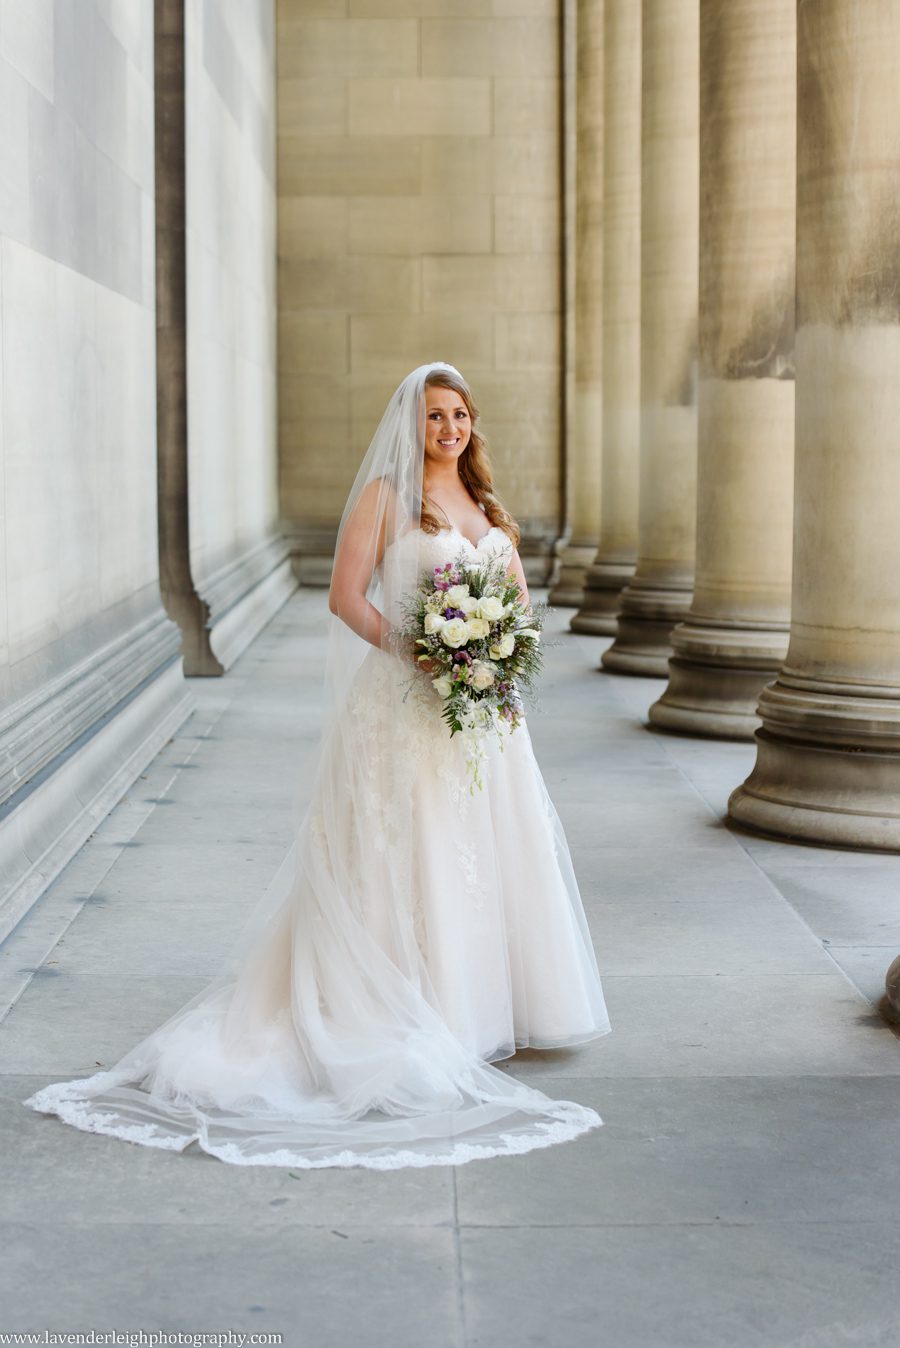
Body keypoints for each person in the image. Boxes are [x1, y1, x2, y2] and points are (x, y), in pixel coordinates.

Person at [24, 362, 610, 1170]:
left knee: (483, 847)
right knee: (408, 850)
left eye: (461, 416)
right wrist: (418, 652)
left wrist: (499, 663)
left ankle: (484, 1005)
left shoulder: (486, 506)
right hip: (406, 701)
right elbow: (346, 596)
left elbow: (516, 605)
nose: (449, 429)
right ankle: (409, 1005)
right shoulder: (385, 500)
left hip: (482, 715)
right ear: (412, 426)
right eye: (436, 417)